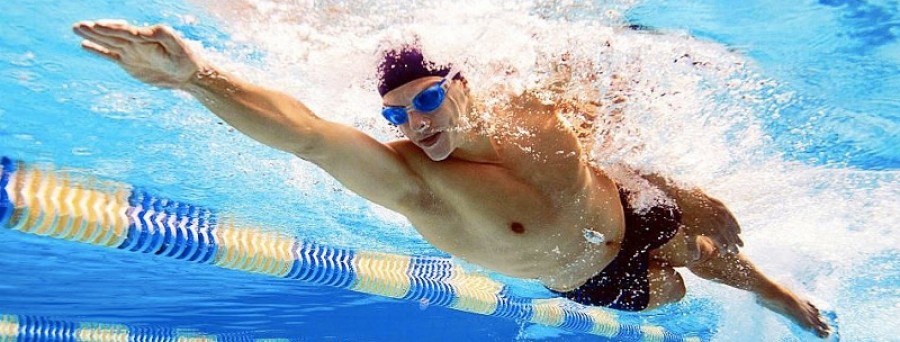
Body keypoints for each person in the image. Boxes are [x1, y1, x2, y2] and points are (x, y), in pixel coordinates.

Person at [72, 19, 831, 338]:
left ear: (462, 88)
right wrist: (199, 76)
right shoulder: (417, 184)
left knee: (710, 244)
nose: (418, 123)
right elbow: (306, 136)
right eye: (399, 114)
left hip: (630, 203)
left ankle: (768, 286)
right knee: (676, 290)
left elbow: (610, 123)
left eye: (429, 99)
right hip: (594, 277)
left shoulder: (533, 114)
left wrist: (686, 185)